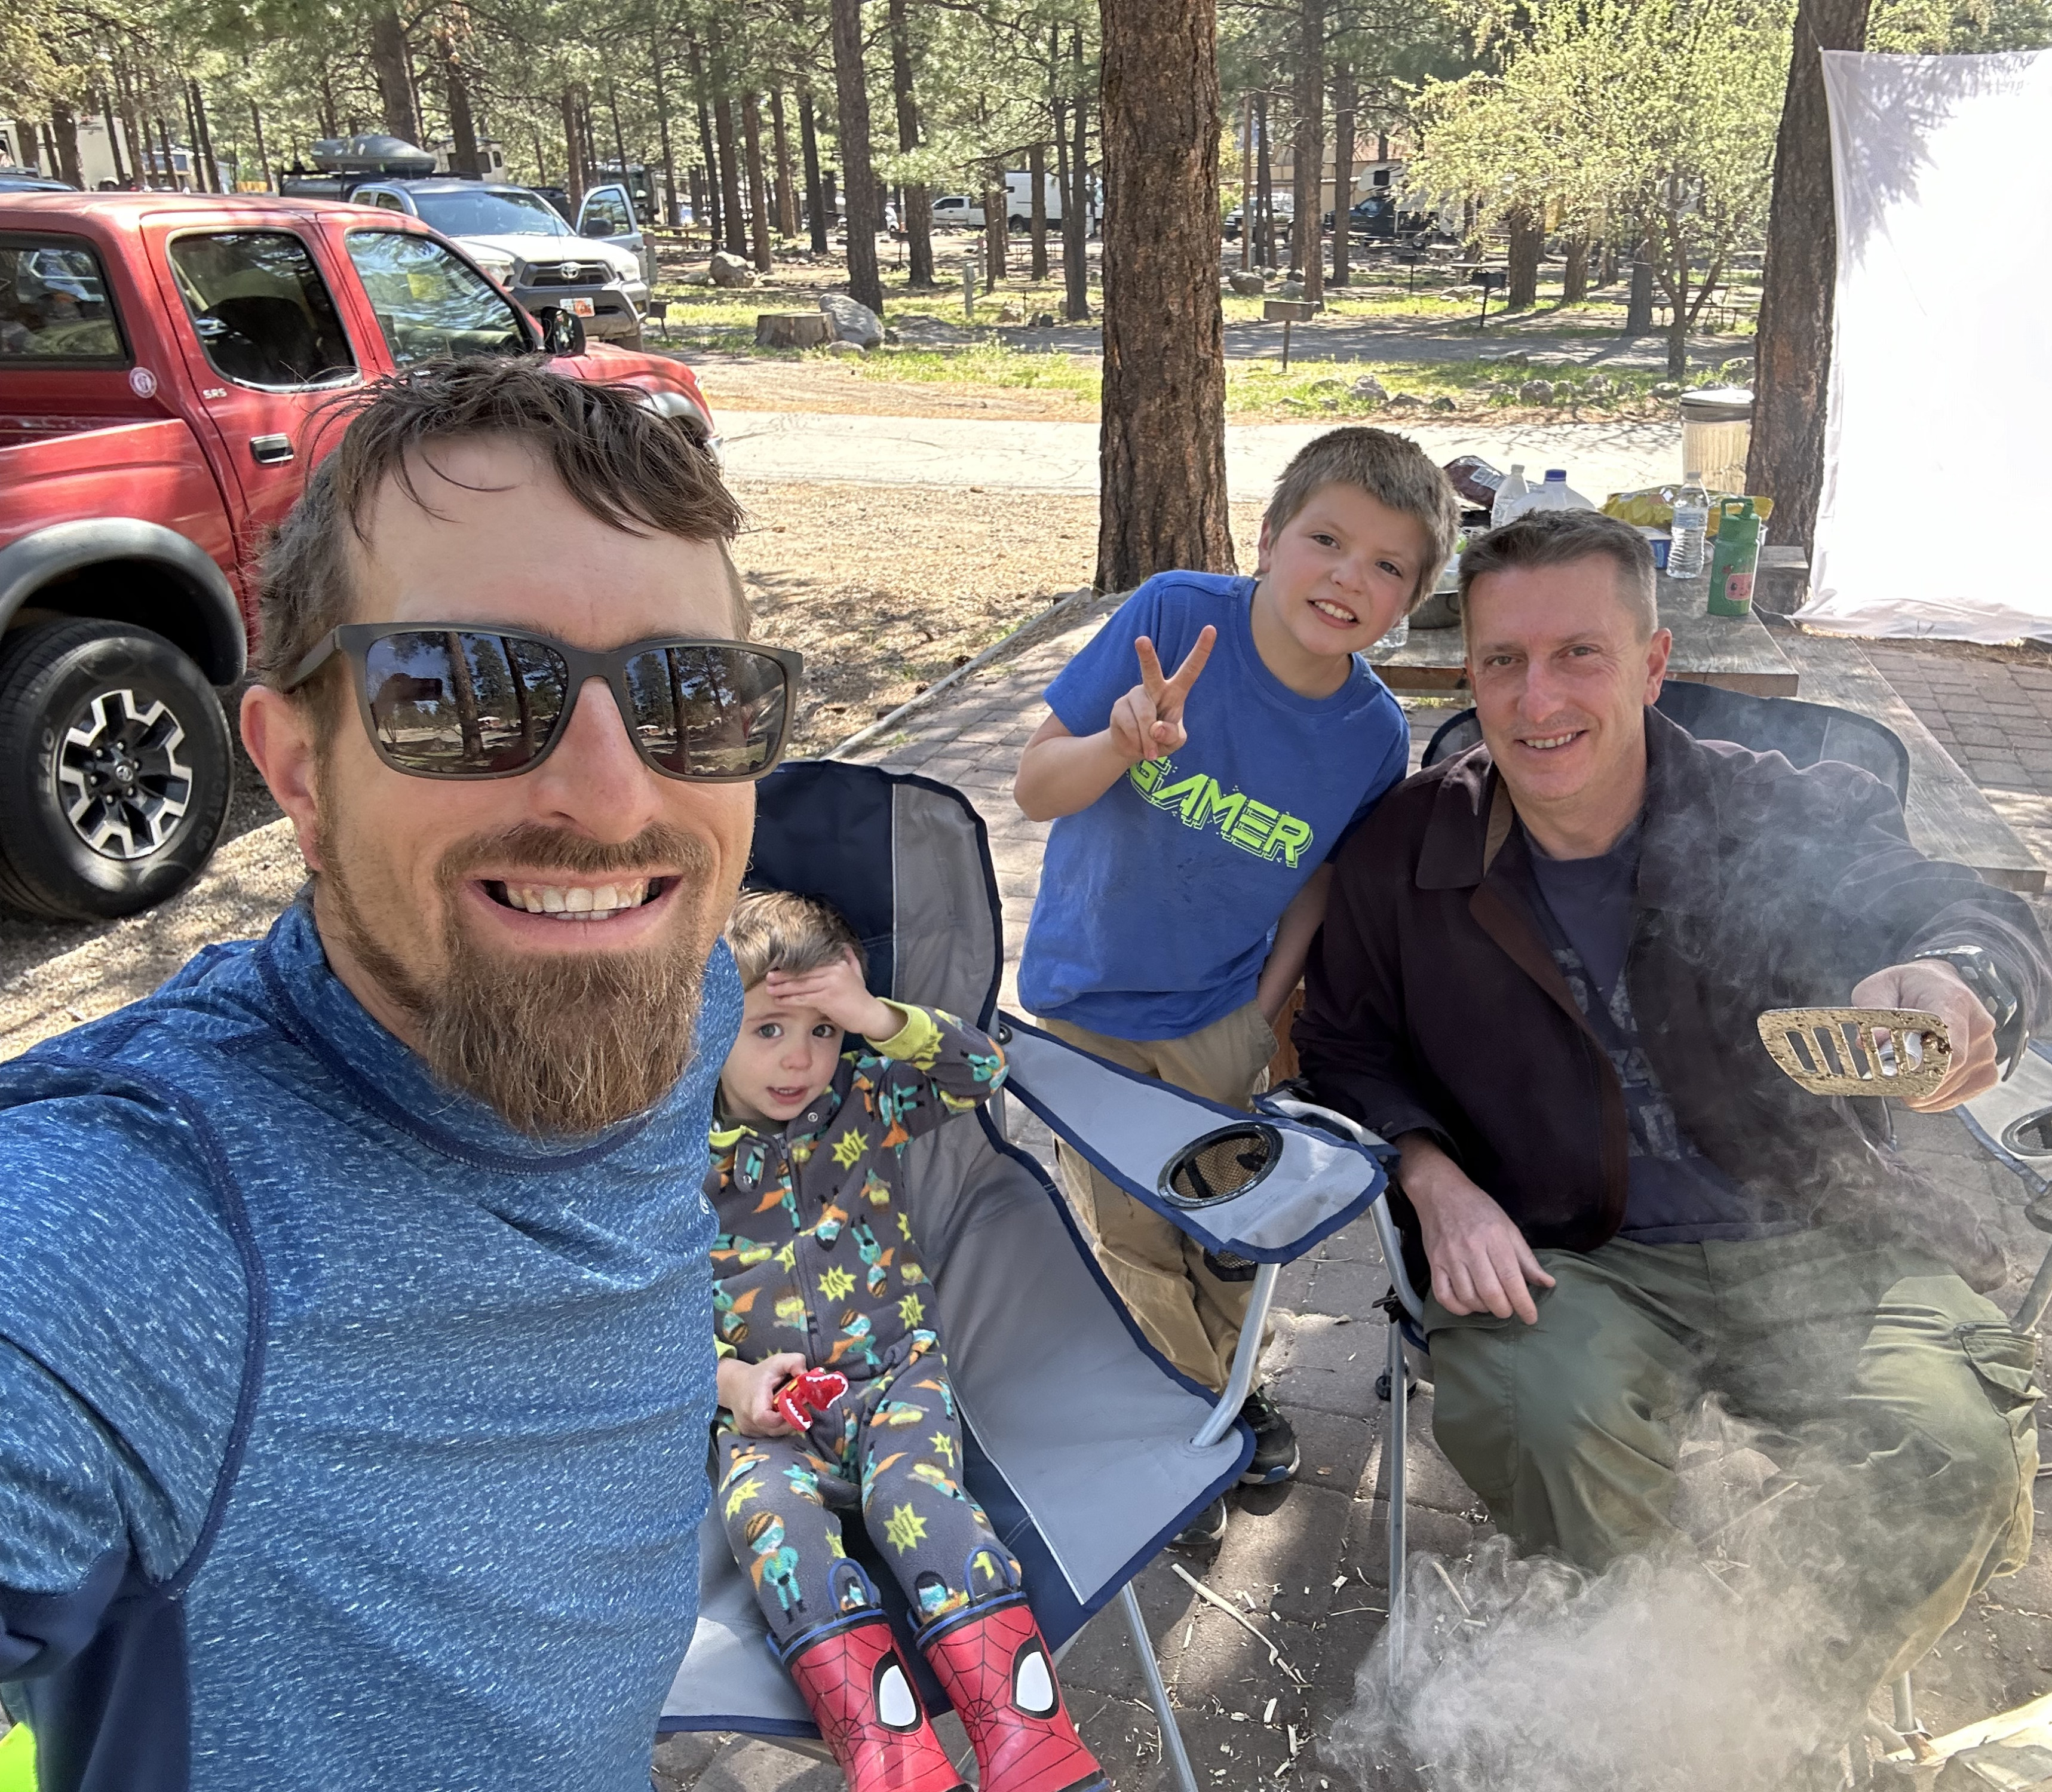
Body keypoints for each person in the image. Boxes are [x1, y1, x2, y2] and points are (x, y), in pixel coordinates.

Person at [0, 361, 789, 1790]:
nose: (613, 800)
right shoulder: (136, 1237)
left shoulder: (677, 996)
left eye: (690, 697)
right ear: (299, 766)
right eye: (466, 692)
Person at [1295, 508, 2052, 1776]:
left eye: (1579, 655)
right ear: (1466, 673)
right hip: (1571, 1249)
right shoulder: (1405, 853)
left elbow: (1958, 912)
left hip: (1812, 1224)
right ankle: (1651, 1702)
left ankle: (1769, 1725)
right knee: (1541, 1413)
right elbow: (1343, 1049)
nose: (1537, 700)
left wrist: (1958, 980)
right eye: (1502, 661)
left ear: (1652, 666)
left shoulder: (1779, 814)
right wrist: (1432, 1177)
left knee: (1948, 1446)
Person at [1011, 426, 1459, 1541]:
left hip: (1222, 1017)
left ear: (1411, 601)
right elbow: (1033, 788)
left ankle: (1218, 1393)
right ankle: (1193, 1432)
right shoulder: (1173, 616)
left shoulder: (1373, 735)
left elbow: (1321, 885)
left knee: (1225, 1236)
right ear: (1267, 537)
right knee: (1133, 1241)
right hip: (1087, 1007)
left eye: (1388, 565)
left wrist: (1264, 1016)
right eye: (1326, 540)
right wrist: (1120, 745)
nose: (1348, 578)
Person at [705, 891, 1105, 1792]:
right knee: (773, 1527)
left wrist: (873, 1016)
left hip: (895, 1379)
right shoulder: (676, 1154)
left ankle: (1030, 1742)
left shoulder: (866, 1097)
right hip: (767, 1412)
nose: (800, 1058)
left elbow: (982, 1071)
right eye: (768, 1030)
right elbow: (642, 1323)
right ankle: (893, 1761)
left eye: (823, 1030)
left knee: (914, 1502)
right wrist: (730, 1385)